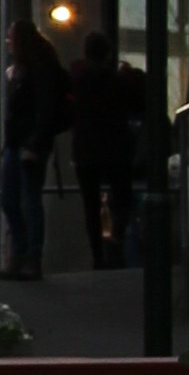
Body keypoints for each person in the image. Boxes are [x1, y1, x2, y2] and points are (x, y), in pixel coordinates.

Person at [66, 28, 148, 268]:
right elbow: (139, 104)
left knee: (90, 205)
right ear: (108, 53)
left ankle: (97, 256)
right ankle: (118, 239)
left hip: (86, 150)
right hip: (116, 149)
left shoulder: (77, 80)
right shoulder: (119, 81)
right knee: (122, 199)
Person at [0, 21, 68, 284]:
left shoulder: (39, 68)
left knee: (29, 199)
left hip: (29, 144)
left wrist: (35, 144)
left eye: (10, 38)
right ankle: (20, 254)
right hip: (17, 141)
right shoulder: (22, 69)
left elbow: (45, 109)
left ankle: (30, 257)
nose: (7, 43)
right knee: (11, 199)